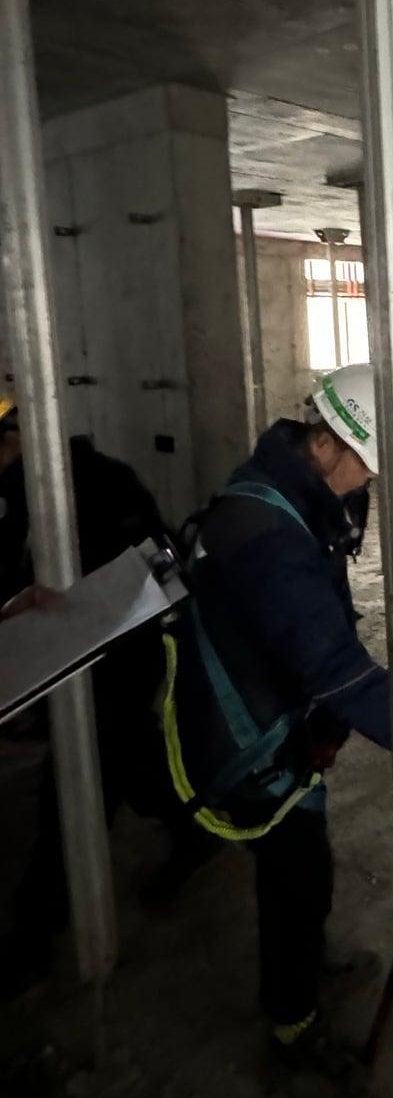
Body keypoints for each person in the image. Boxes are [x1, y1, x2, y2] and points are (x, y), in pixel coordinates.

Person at [161, 364, 391, 1098]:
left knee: (306, 864)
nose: (361, 488)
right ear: (324, 442)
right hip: (248, 731)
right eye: (361, 469)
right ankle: (292, 1036)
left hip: (280, 712)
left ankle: (310, 967)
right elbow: (333, 664)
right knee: (293, 878)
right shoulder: (265, 529)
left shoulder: (291, 493)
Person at [0, 397, 212, 1000]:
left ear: (23, 438)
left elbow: (157, 567)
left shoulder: (104, 485)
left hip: (121, 652)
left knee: (76, 783)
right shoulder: (19, 494)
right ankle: (194, 827)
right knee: (127, 761)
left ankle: (36, 935)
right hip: (67, 660)